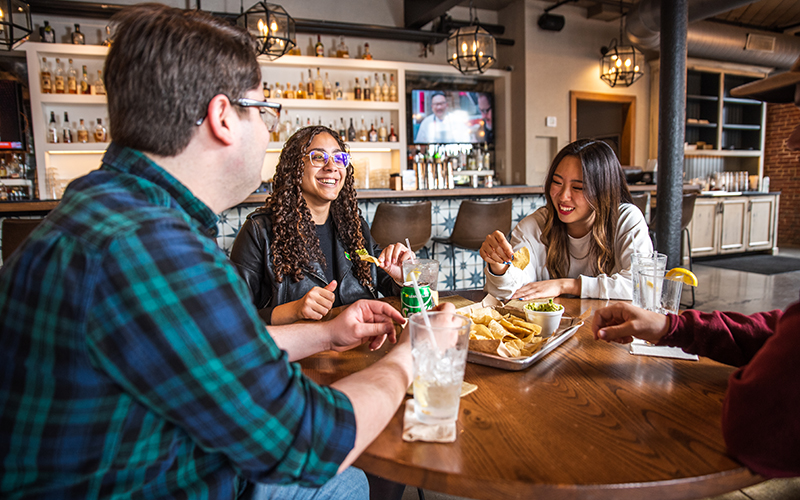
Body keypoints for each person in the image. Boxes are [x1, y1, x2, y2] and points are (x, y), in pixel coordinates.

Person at [0, 5, 424, 499]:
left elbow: (214, 347)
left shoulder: (106, 211)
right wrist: (414, 354)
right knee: (349, 482)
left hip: (137, 460)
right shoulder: (154, 249)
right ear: (223, 117)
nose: (268, 131)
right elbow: (307, 441)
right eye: (264, 112)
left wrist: (328, 333)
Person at [591, 56, 800, 479]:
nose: (793, 141)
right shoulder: (539, 224)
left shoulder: (625, 217)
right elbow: (773, 330)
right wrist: (672, 327)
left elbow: (755, 430)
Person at [229, 125, 411, 325]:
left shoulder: (353, 227)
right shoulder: (260, 231)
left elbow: (393, 292)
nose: (331, 166)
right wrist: (293, 310)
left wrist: (401, 278)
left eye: (339, 158)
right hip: (300, 354)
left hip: (362, 349)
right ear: (295, 167)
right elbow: (232, 320)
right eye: (318, 157)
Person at [481, 139, 652, 301]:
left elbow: (642, 287)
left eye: (578, 187)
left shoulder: (627, 220)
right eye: (557, 182)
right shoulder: (533, 227)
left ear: (603, 191)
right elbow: (512, 292)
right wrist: (499, 267)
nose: (563, 196)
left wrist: (566, 285)